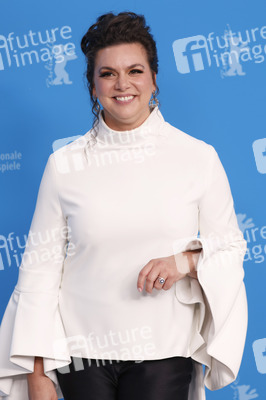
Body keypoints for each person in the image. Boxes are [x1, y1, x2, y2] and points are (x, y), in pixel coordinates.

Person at [0, 11, 248, 400]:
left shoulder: (197, 157)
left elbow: (231, 248)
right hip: (80, 355)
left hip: (165, 348)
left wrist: (182, 262)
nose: (122, 84)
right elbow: (38, 270)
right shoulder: (64, 164)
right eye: (107, 73)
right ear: (92, 85)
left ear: (153, 79)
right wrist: (36, 372)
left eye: (134, 70)